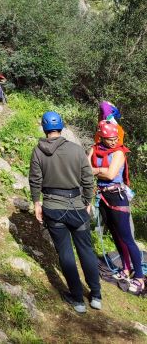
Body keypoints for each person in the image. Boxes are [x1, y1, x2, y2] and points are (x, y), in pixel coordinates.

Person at [29, 111, 102, 313]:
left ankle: (77, 299)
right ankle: (96, 296)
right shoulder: (77, 150)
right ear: (61, 127)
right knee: (86, 250)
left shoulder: (38, 151)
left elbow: (35, 180)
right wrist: (88, 201)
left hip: (53, 207)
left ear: (44, 128)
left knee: (65, 252)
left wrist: (37, 203)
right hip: (78, 207)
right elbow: (88, 179)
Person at [89, 120, 144, 295]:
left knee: (127, 238)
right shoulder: (94, 149)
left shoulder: (119, 152)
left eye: (115, 138)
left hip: (117, 197)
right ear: (102, 137)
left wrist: (96, 170)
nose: (113, 141)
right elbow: (84, 167)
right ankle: (126, 269)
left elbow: (111, 174)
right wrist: (100, 170)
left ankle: (140, 278)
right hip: (103, 196)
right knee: (115, 235)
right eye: (109, 139)